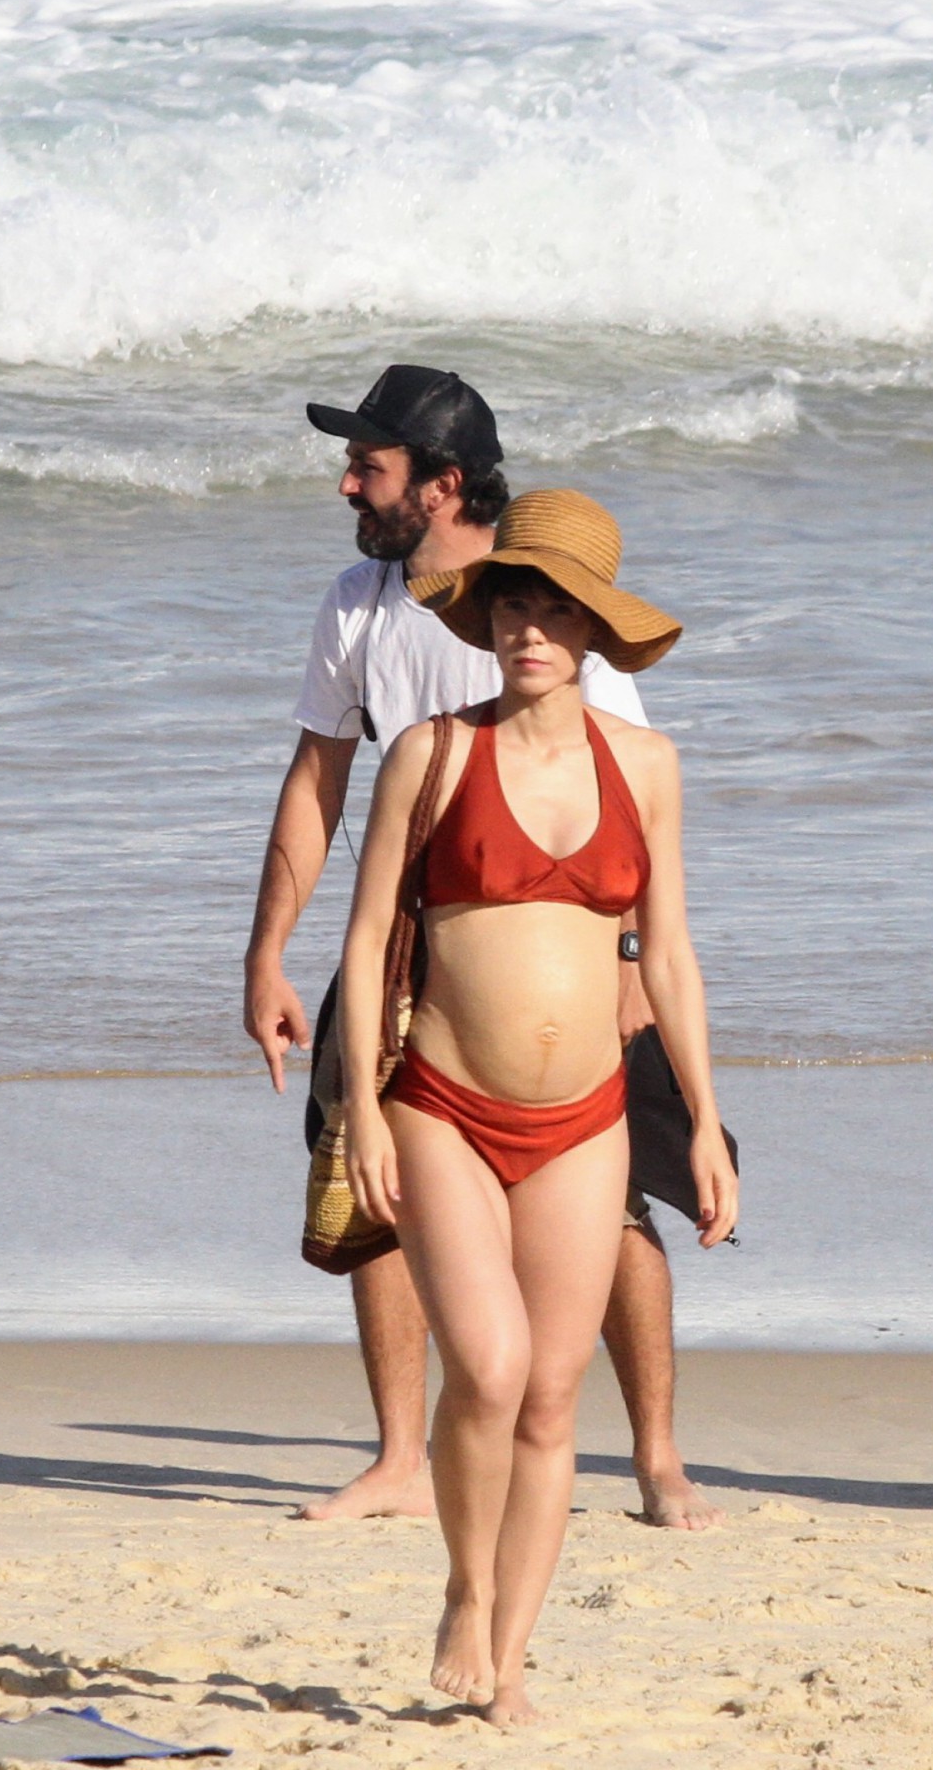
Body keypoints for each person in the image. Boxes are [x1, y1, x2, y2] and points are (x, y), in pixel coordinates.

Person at [244, 365, 721, 1530]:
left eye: (368, 466)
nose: (346, 485)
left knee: (616, 1203)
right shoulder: (356, 603)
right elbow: (316, 781)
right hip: (406, 939)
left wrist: (624, 969)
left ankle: (655, 1455)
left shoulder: (546, 600)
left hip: (569, 948)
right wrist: (266, 953)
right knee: (373, 1189)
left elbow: (620, 806)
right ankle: (398, 1458)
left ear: (441, 484)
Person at [338, 489, 738, 1724]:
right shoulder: (432, 753)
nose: (529, 631)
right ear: (488, 619)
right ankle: (465, 1590)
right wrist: (363, 1110)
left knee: (554, 1393)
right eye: (513, 606)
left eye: (556, 613)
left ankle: (506, 1661)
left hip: (586, 1119)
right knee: (492, 1367)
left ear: (594, 631)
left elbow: (669, 955)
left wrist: (705, 1121)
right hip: (443, 1106)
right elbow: (365, 940)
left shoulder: (646, 766)